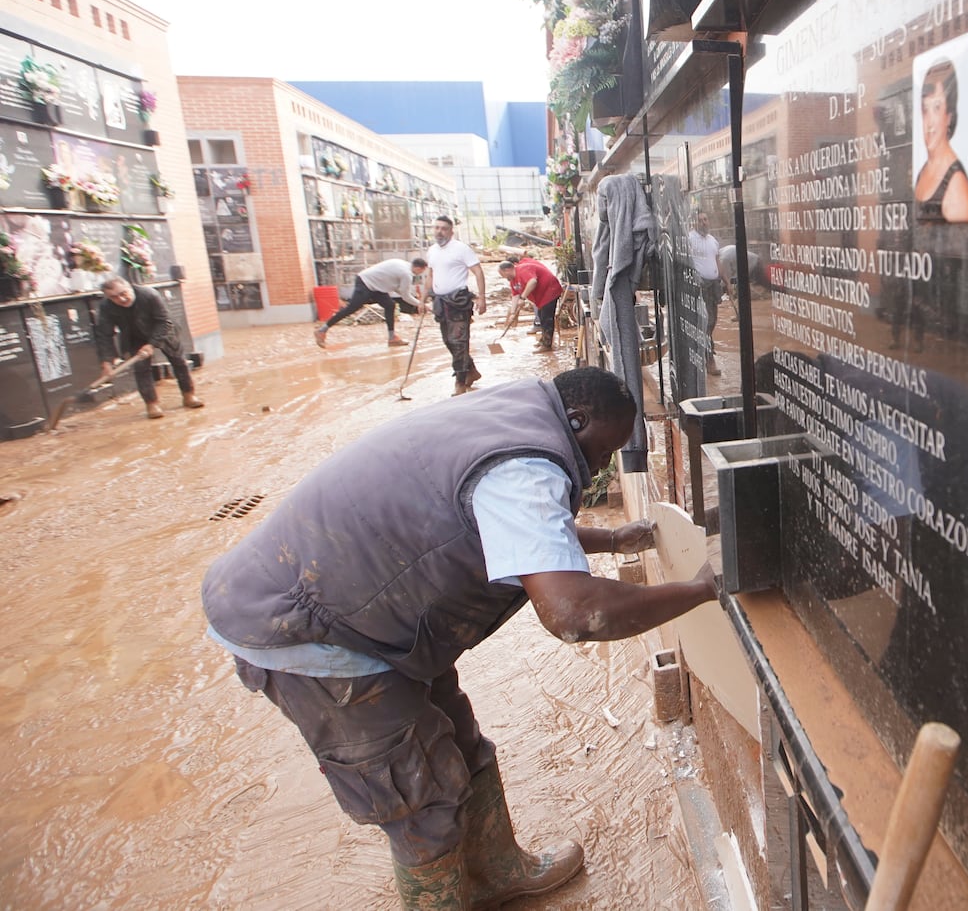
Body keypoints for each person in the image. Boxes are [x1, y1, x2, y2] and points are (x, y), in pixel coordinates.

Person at [200, 367, 718, 909]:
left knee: (457, 737)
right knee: (418, 797)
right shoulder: (525, 469)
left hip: (367, 608)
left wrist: (609, 538)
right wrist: (699, 590)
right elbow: (575, 612)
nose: (596, 468)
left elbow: (503, 527)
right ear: (576, 419)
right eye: (599, 451)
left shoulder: (522, 407)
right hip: (314, 630)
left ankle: (497, 871)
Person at [94, 276, 204, 420]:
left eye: (123, 293)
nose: (121, 299)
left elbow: (164, 322)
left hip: (163, 331)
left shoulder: (149, 295)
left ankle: (189, 395)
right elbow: (104, 334)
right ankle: (151, 403)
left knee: (179, 362)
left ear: (129, 287)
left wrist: (152, 344)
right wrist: (107, 361)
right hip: (134, 336)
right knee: (141, 370)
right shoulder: (106, 307)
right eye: (114, 297)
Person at [422, 216, 486, 396]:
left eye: (443, 228)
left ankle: (460, 382)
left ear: (451, 231)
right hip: (440, 302)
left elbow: (478, 272)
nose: (439, 231)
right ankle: (471, 370)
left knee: (459, 341)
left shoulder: (461, 249)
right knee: (448, 341)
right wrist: (422, 299)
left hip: (458, 301)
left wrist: (482, 297)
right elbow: (430, 275)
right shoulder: (432, 251)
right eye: (436, 228)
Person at [913, 60, 968, 224]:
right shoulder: (924, 171)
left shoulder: (956, 184)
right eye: (925, 109)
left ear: (949, 116)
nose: (930, 122)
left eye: (937, 107)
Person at [315, 257, 427, 348]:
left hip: (375, 286)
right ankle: (322, 330)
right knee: (351, 309)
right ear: (418, 268)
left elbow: (400, 290)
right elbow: (405, 296)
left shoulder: (401, 263)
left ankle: (392, 338)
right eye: (421, 271)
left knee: (390, 305)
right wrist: (420, 304)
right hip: (365, 283)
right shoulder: (406, 274)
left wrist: (418, 302)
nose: (419, 274)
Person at [497, 257, 563, 351]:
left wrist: (523, 297)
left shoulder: (523, 269)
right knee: (541, 316)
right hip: (540, 297)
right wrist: (512, 313)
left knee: (546, 318)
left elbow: (533, 282)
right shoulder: (513, 281)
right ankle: (544, 340)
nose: (503, 277)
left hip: (550, 290)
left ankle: (547, 345)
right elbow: (515, 296)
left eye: (502, 274)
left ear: (507, 270)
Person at [687, 210, 723, 375]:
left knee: (713, 321)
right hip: (700, 287)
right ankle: (709, 360)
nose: (704, 222)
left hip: (714, 285)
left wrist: (727, 283)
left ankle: (704, 351)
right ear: (695, 223)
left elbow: (717, 261)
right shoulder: (689, 239)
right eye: (700, 220)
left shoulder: (712, 240)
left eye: (706, 219)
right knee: (707, 323)